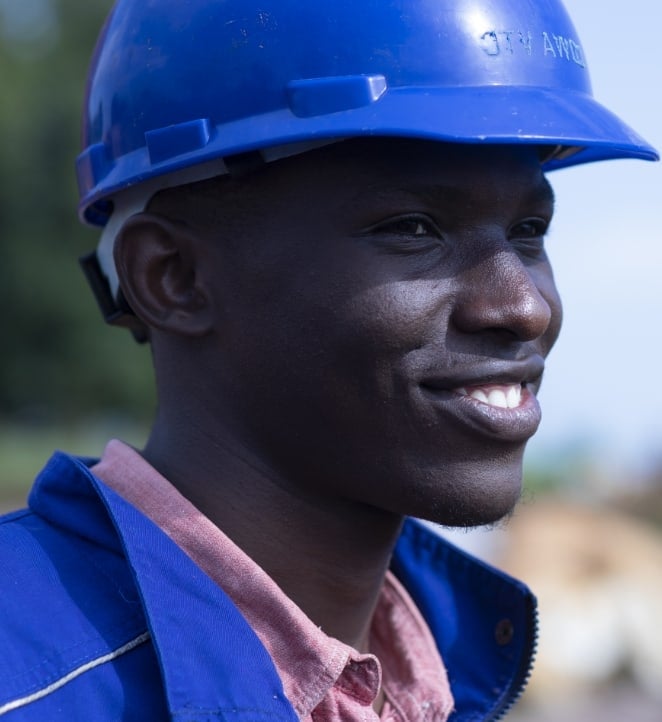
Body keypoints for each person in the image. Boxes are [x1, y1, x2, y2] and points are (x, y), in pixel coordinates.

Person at [0, 1, 657, 720]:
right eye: (414, 228)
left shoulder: (438, 673)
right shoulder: (27, 682)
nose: (523, 307)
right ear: (173, 277)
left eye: (530, 230)